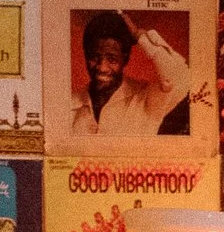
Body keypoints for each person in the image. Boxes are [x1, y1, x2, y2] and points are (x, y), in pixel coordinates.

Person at [69, 9, 190, 139]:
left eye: (112, 59)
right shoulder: (70, 103)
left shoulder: (145, 99)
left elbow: (181, 76)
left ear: (125, 59)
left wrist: (139, 36)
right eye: (94, 57)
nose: (102, 68)